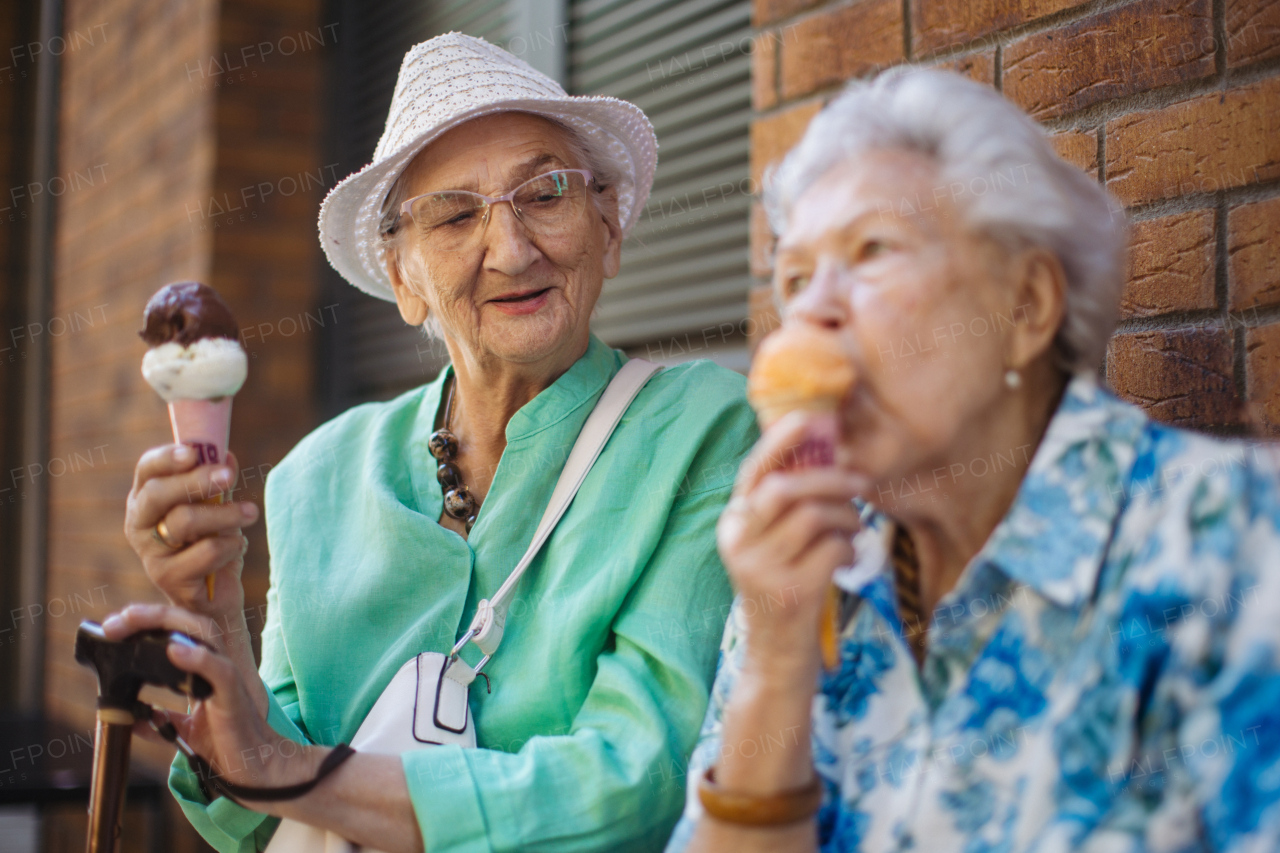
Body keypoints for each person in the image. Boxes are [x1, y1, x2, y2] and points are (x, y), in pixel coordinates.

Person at [107, 34, 756, 853]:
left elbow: (637, 784)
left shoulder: (709, 431)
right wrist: (209, 608)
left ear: (609, 231)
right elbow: (251, 820)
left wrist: (290, 767)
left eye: (546, 192)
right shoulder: (318, 475)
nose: (513, 250)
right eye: (455, 215)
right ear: (405, 279)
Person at [667, 67, 1280, 853]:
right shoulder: (802, 566)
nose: (811, 310)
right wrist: (778, 661)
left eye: (872, 248)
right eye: (793, 278)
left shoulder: (1233, 546)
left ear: (1025, 305)